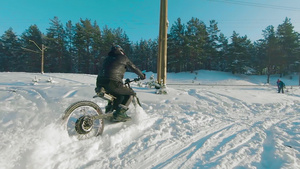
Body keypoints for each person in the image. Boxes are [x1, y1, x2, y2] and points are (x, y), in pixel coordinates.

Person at [96, 45, 146, 122]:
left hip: (100, 82)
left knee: (116, 95)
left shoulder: (107, 59)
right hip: (113, 82)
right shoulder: (123, 58)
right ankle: (120, 114)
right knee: (130, 93)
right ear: (121, 51)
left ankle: (110, 112)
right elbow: (134, 68)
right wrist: (142, 76)